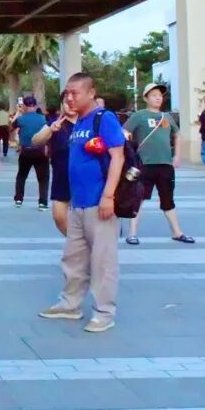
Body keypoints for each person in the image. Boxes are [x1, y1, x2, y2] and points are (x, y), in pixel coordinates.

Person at [39, 72, 124, 333]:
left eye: (75, 93)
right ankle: (70, 304)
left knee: (103, 261)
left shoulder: (103, 119)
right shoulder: (78, 123)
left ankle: (104, 313)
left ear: (91, 93)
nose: (69, 98)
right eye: (67, 93)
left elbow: (118, 157)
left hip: (99, 203)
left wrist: (108, 196)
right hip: (78, 204)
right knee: (74, 258)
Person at [122, 84, 195, 246]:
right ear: (146, 98)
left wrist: (177, 155)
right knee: (138, 198)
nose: (157, 98)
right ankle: (132, 234)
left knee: (168, 200)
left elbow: (177, 134)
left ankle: (177, 232)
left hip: (165, 165)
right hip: (144, 165)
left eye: (160, 95)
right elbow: (124, 131)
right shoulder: (139, 116)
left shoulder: (166, 117)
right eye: (154, 95)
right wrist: (129, 151)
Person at [31, 92, 77, 235]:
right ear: (61, 105)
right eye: (66, 102)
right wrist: (51, 130)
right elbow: (36, 140)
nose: (70, 104)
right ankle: (76, 241)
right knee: (59, 217)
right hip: (61, 179)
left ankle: (80, 244)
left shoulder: (89, 123)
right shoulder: (55, 123)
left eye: (74, 100)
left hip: (86, 180)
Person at [11, 96, 50, 210]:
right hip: (40, 151)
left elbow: (11, 126)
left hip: (25, 151)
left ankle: (19, 199)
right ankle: (42, 202)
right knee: (43, 178)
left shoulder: (21, 119)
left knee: (21, 176)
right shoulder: (42, 118)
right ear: (35, 106)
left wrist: (18, 112)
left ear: (24, 106)